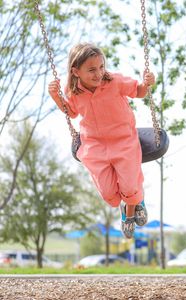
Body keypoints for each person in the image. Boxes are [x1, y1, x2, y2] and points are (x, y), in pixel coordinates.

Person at [48, 43, 155, 238]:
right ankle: (129, 204)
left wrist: (147, 83)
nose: (98, 73)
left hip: (123, 140)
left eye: (101, 67)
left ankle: (131, 210)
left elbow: (139, 92)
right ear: (76, 71)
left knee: (130, 186)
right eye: (91, 70)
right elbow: (71, 112)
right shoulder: (72, 90)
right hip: (94, 145)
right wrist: (56, 96)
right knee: (109, 195)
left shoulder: (114, 81)